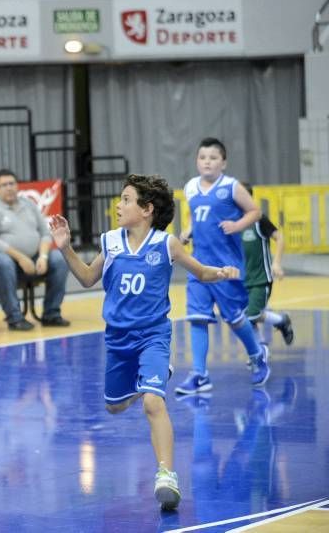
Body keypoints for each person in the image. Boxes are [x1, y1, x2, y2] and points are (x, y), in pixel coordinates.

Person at [49, 173, 242, 511]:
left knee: (154, 403)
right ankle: (148, 381)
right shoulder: (110, 242)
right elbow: (86, 277)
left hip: (153, 334)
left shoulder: (166, 244)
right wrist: (65, 247)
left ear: (147, 209)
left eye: (125, 199)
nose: (118, 205)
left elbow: (200, 272)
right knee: (114, 406)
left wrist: (223, 272)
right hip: (118, 338)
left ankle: (166, 475)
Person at [176, 138, 269, 395]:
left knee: (235, 318)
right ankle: (199, 375)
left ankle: (257, 355)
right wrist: (187, 232)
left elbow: (255, 212)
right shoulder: (191, 188)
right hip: (199, 266)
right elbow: (198, 218)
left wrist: (236, 226)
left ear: (223, 163)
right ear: (197, 161)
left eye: (213, 157)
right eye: (203, 157)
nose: (207, 161)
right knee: (197, 318)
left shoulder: (231, 187)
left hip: (228, 266)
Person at [0, 169, 70, 331]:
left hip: (27, 259)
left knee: (59, 258)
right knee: (3, 261)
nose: (9, 187)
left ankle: (51, 314)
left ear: (17, 186)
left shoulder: (28, 204)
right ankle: (14, 318)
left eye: (12, 183)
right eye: (3, 185)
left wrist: (43, 257)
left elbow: (45, 234)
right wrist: (21, 258)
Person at [240, 182, 293, 346]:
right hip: (242, 280)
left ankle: (279, 322)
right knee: (247, 317)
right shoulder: (233, 223)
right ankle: (260, 349)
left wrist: (276, 263)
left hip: (261, 279)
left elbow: (280, 238)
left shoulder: (259, 220)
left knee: (252, 315)